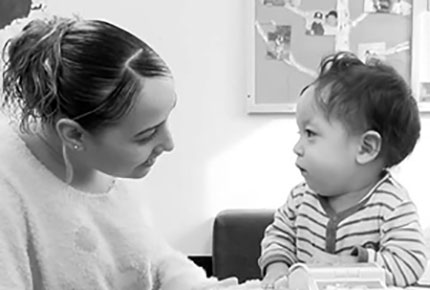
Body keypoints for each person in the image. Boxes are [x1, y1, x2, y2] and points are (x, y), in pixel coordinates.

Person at [0, 15, 238, 290]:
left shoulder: (99, 165)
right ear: (75, 134)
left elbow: (152, 258)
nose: (169, 143)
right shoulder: (10, 193)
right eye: (146, 134)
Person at [259, 51, 427, 289]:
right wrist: (276, 269)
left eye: (310, 134)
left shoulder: (392, 205)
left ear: (366, 148)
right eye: (300, 134)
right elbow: (278, 237)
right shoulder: (300, 198)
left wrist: (355, 264)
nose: (297, 148)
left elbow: (409, 262)